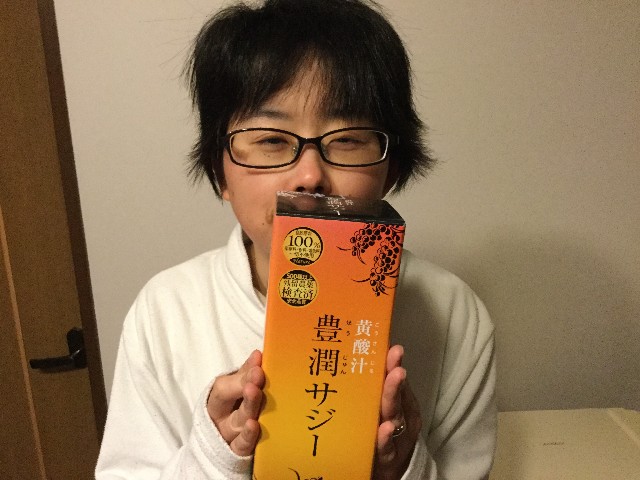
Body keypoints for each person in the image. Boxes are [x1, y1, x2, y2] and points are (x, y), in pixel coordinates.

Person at [95, 0, 496, 479]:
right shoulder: (165, 311)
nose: (309, 176)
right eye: (270, 139)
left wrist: (404, 466)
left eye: (347, 139)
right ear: (221, 174)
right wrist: (212, 455)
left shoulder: (453, 313)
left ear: (390, 170)